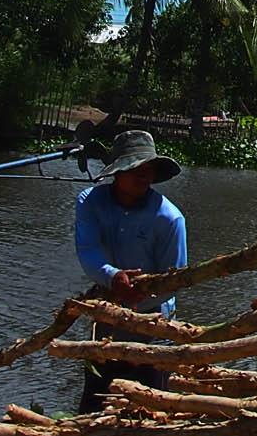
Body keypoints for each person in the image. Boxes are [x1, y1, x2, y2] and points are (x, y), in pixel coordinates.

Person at [73, 128, 187, 413]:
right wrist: (112, 276)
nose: (142, 175)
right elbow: (88, 252)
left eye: (148, 169)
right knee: (95, 404)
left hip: (152, 326)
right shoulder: (90, 202)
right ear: (117, 172)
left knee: (151, 407)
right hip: (106, 323)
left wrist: (136, 298)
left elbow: (173, 281)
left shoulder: (170, 219)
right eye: (135, 168)